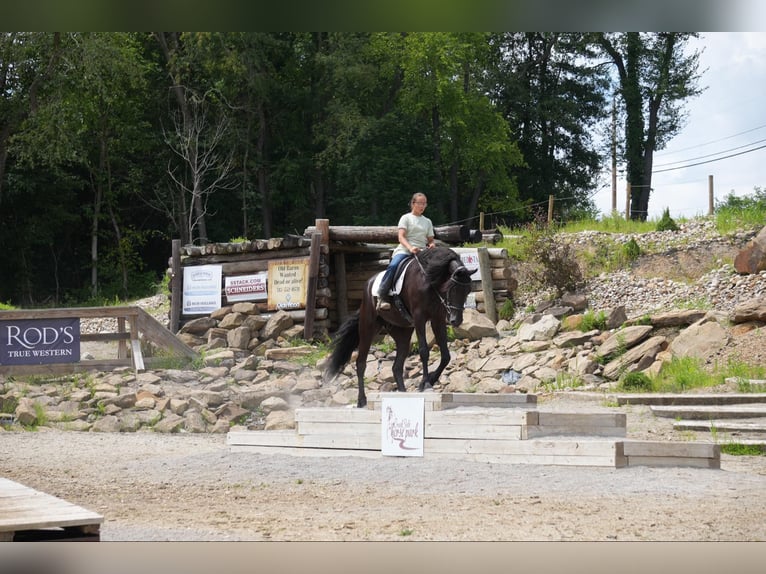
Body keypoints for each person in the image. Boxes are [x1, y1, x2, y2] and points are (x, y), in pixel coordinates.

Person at [376, 192, 435, 311]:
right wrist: (410, 248)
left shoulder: (427, 221)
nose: (422, 206)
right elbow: (401, 237)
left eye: (424, 203)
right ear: (413, 204)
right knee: (393, 266)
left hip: (422, 252)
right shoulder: (406, 218)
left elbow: (430, 240)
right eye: (420, 203)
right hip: (405, 250)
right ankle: (382, 295)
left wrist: (432, 245)